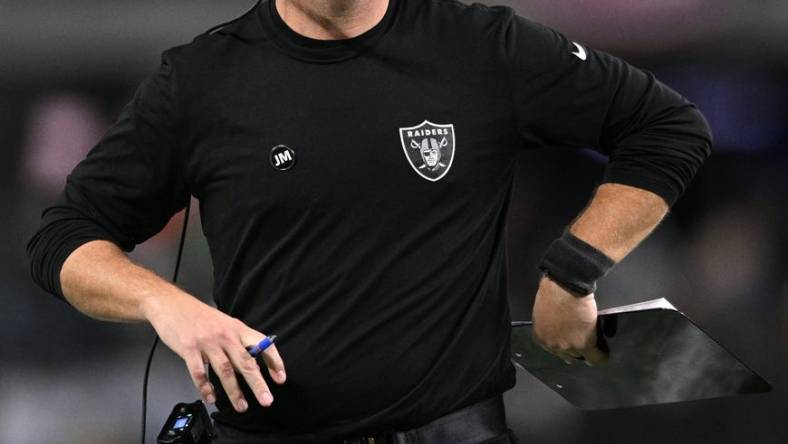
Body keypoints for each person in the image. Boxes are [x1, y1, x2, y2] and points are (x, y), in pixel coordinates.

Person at [26, 0, 712, 443]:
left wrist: (571, 271)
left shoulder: (479, 47)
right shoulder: (203, 82)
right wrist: (166, 304)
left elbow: (667, 126)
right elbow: (64, 238)